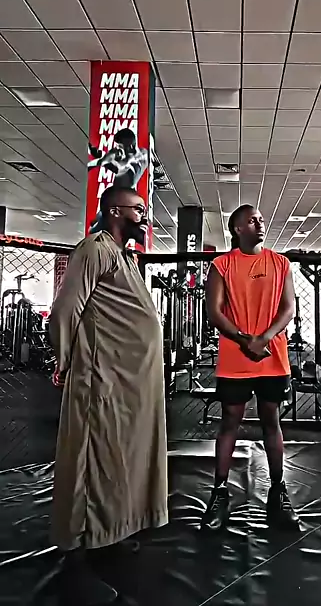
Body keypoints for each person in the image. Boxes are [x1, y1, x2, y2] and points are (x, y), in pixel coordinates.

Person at [49, 186, 167, 605]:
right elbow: (66, 309)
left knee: (118, 458)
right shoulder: (94, 250)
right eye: (138, 209)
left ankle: (109, 532)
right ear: (115, 211)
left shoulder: (124, 257)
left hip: (128, 382)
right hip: (100, 378)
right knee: (92, 458)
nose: (144, 216)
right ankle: (77, 557)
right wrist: (63, 358)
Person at [201, 204, 298, 532]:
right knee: (230, 422)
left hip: (271, 355)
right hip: (235, 357)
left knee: (271, 420)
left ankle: (278, 490)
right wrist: (245, 340)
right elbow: (214, 312)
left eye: (261, 219)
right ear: (237, 229)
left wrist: (263, 339)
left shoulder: (280, 263)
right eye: (252, 220)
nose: (260, 223)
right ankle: (219, 492)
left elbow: (289, 308)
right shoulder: (222, 264)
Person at [88, 128, 148, 234]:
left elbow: (120, 166)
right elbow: (114, 166)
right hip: (118, 195)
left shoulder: (133, 159)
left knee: (94, 230)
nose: (119, 149)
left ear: (130, 146)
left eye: (121, 146)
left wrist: (104, 158)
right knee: (95, 223)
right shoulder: (141, 154)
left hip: (121, 199)